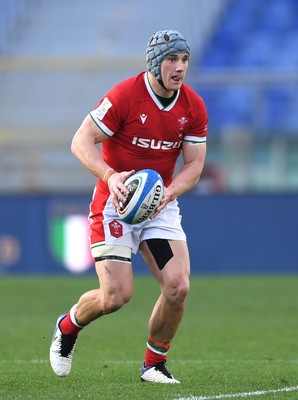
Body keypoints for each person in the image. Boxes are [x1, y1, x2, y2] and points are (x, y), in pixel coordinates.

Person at [49, 29, 208, 384]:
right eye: (171, 59)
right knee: (116, 296)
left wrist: (169, 193)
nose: (179, 67)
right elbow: (80, 141)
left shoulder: (192, 106)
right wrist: (110, 176)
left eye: (184, 60)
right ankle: (68, 326)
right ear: (155, 62)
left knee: (178, 287)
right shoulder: (125, 95)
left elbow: (195, 165)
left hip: (158, 204)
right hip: (115, 205)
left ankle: (154, 364)